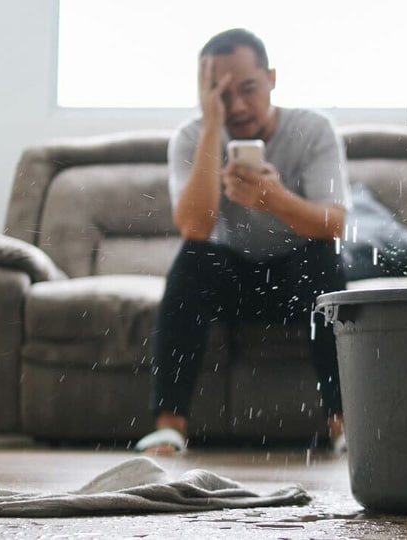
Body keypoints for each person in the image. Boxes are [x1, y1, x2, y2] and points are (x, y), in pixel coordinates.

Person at [134, 28, 351, 454]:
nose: (237, 106)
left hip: (297, 277)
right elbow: (195, 228)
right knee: (193, 258)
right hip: (230, 278)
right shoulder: (193, 137)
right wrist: (212, 127)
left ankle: (345, 425)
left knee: (326, 259)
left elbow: (335, 224)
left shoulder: (313, 129)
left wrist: (276, 200)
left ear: (271, 78)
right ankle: (169, 426)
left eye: (248, 89)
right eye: (221, 94)